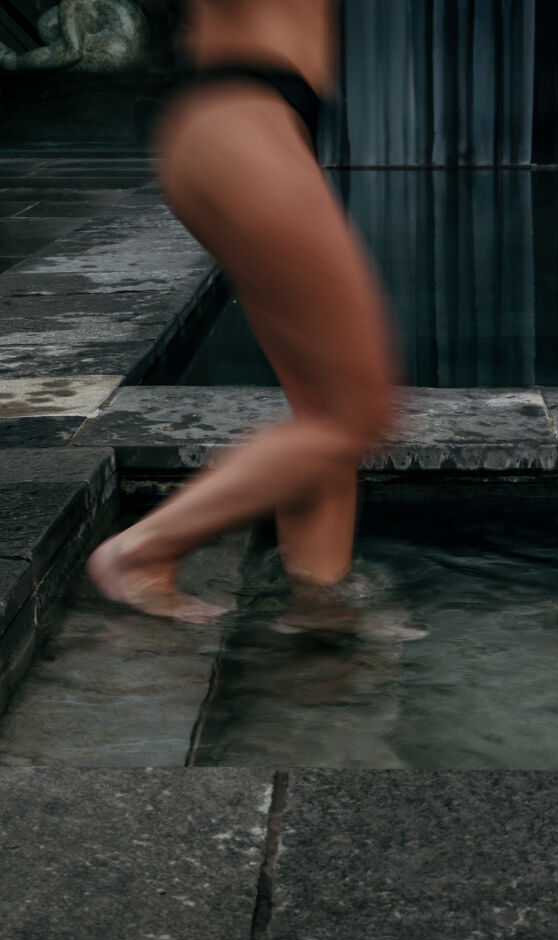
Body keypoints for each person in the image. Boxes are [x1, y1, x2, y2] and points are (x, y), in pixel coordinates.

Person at [87, 0, 403, 625]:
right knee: (357, 417)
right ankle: (140, 554)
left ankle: (319, 608)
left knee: (325, 418)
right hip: (243, 123)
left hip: (247, 121)